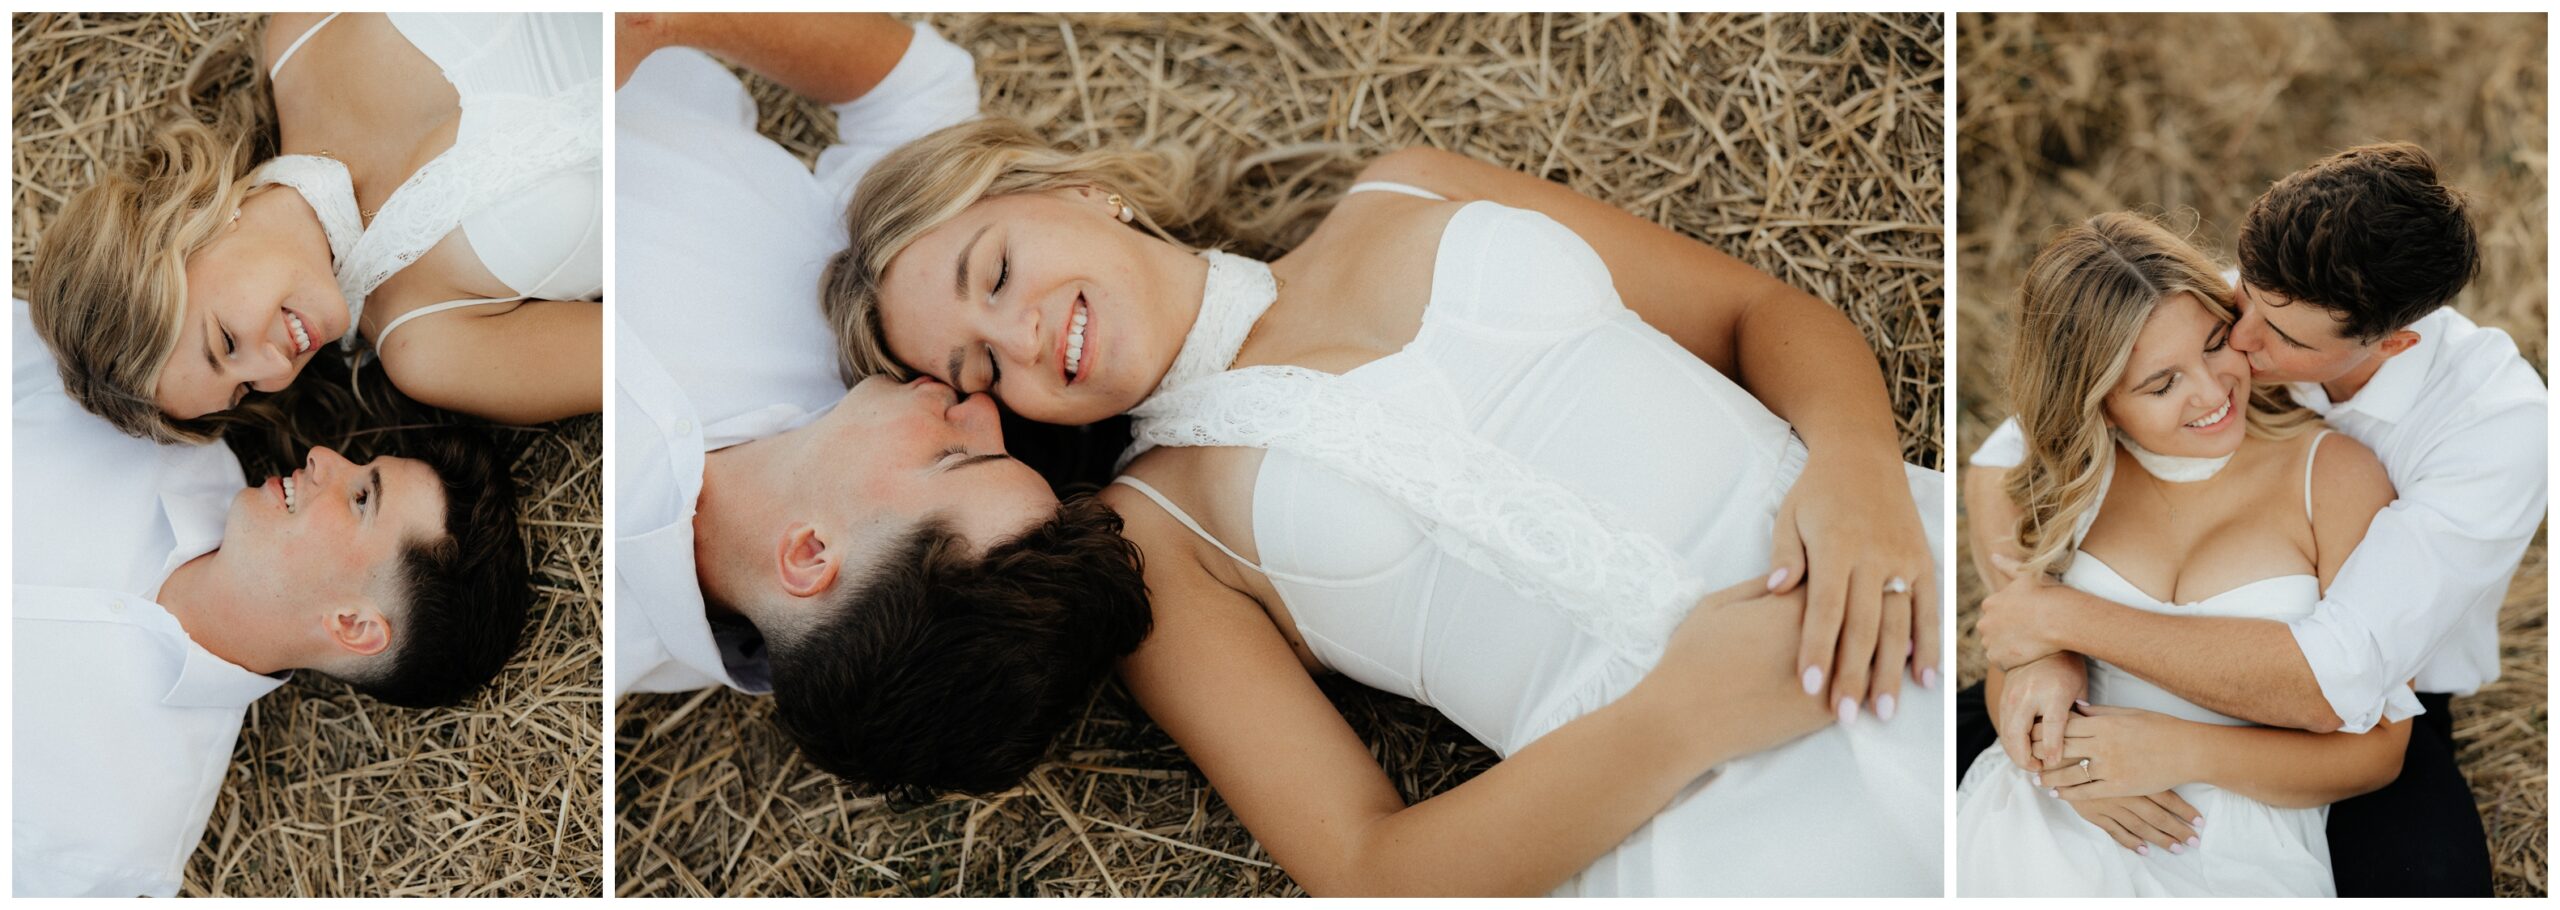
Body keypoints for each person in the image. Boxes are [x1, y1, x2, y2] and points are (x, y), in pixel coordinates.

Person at [824, 119, 1946, 894]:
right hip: (1712, 809)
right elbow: (1367, 869)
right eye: (980, 369)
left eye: (998, 271)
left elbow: (1754, 312)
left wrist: (1856, 476)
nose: (1022, 339)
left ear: (1068, 190)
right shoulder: (1155, 541)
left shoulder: (1410, 185)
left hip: (1892, 563)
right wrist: (1682, 718)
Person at [1963, 144, 2546, 896]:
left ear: (2393, 341)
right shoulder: (2238, 308)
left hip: (2353, 701)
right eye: (2241, 307)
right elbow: (2006, 458)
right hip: (2103, 694)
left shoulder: (2494, 427)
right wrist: (2037, 646)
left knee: (2432, 880)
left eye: (2283, 340)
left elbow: (2338, 681)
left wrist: (2061, 619)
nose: (2238, 345)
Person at [611, 14, 1150, 794]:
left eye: (955, 456)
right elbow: (918, 90)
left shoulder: (607, 621)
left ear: (808, 555)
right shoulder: (880, 328)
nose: (981, 407)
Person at [1953, 213, 2415, 895]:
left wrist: (2181, 751)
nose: (2211, 392)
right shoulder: (2078, 480)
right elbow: (2014, 662)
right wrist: (2057, 762)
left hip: (2239, 854)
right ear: (2101, 404)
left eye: (2215, 344)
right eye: (2161, 384)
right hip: (2042, 818)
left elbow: (2377, 752)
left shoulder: (2335, 475)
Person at [11, 299, 530, 897]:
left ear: (354, 626)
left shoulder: (124, 838)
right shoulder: (169, 425)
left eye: (362, 499)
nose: (322, 458)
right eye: (359, 468)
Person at [27, 12, 601, 441]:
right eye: (245, 389)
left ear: (186, 226)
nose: (276, 370)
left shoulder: (302, 28)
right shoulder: (428, 346)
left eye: (226, 341)